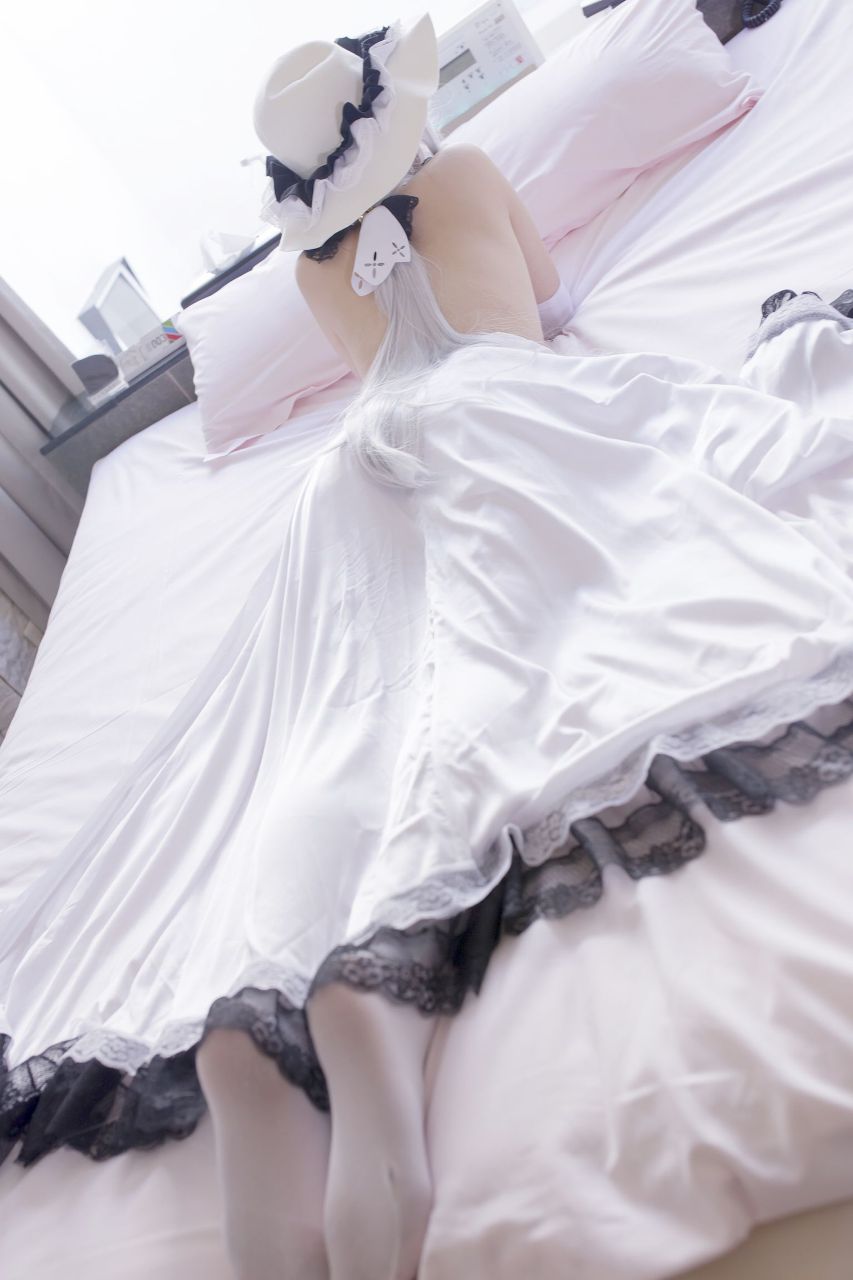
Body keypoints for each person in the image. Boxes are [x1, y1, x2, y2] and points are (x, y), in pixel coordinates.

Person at [3, 13, 853, 1280]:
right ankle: (383, 948)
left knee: (349, 703)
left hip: (351, 474)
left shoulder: (308, 275)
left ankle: (284, 982)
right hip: (497, 408)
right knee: (520, 642)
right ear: (403, 119)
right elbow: (545, 303)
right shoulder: (463, 173)